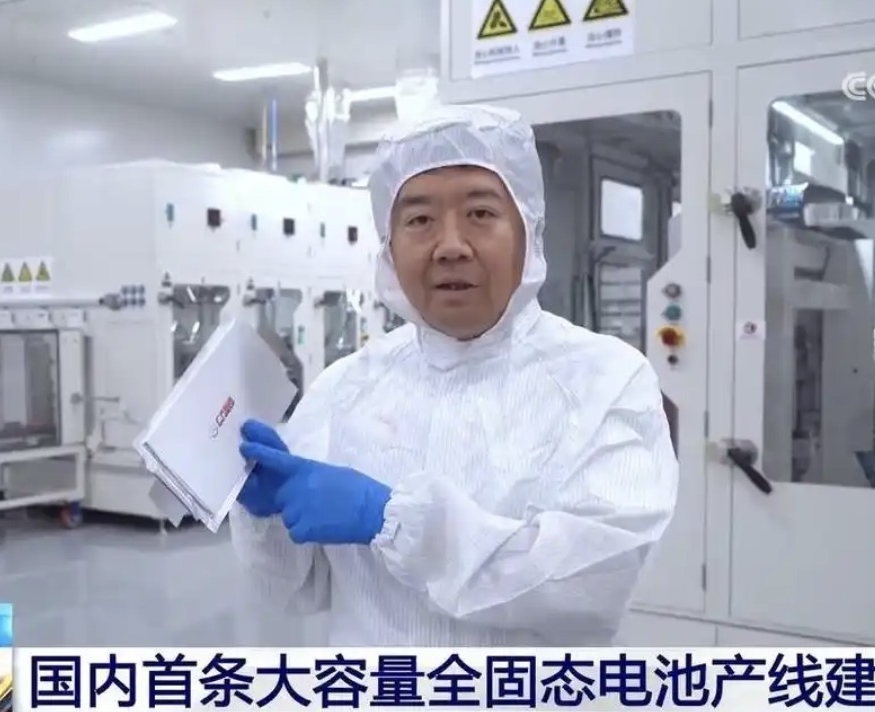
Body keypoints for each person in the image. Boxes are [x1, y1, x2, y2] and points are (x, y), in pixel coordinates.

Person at [228, 104, 679, 646]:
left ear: (528, 232)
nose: (450, 246)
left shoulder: (605, 380)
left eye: (480, 213)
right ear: (389, 246)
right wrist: (264, 516)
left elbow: (597, 583)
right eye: (419, 220)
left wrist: (391, 519)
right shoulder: (345, 387)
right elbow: (298, 591)